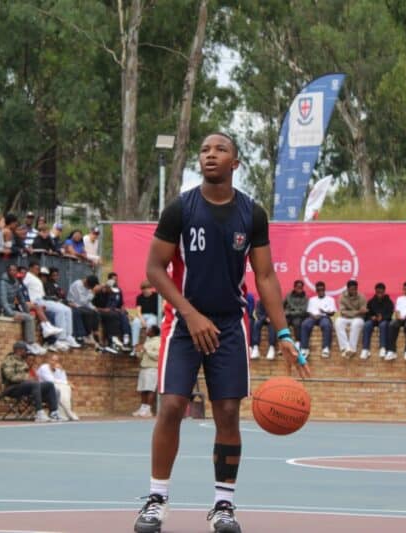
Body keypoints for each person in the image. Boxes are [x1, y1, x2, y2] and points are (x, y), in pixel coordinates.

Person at [133, 132, 308, 533]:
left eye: (220, 150)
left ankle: (223, 505)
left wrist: (283, 335)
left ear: (236, 163)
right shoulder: (180, 209)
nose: (211, 155)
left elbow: (264, 275)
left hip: (230, 323)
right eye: (205, 150)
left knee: (227, 412)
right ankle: (156, 499)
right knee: (173, 405)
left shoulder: (252, 214)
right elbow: (155, 269)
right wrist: (191, 314)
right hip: (184, 321)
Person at [0, 341, 61, 422]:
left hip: (25, 386)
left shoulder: (22, 361)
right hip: (12, 388)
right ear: (19, 350)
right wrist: (26, 377)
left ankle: (54, 413)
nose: (26, 352)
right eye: (25, 350)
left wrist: (30, 378)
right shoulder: (8, 360)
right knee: (34, 384)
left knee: (49, 385)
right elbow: (10, 377)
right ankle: (39, 412)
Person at [299, 281, 336, 358]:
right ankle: (304, 348)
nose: (321, 291)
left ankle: (325, 348)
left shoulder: (330, 299)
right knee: (305, 324)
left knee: (326, 325)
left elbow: (332, 313)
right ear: (316, 291)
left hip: (324, 317)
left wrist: (325, 312)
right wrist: (314, 316)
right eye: (319, 290)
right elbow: (309, 311)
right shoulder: (312, 299)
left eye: (322, 289)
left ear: (324, 289)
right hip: (313, 317)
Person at [37, 353, 79, 421]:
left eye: (56, 361)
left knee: (66, 388)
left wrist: (62, 370)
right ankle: (68, 413)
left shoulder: (57, 369)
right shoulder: (44, 367)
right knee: (62, 388)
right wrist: (67, 383)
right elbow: (51, 380)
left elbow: (63, 380)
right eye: (52, 360)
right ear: (48, 360)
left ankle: (64, 413)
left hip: (54, 388)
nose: (54, 362)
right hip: (44, 390)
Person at [335, 280, 367, 358]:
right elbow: (343, 312)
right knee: (338, 322)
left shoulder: (362, 296)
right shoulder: (342, 297)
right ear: (348, 289)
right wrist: (357, 312)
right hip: (346, 317)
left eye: (355, 289)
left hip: (358, 318)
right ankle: (345, 348)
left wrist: (354, 313)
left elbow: (363, 312)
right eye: (352, 289)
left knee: (356, 324)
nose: (354, 291)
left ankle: (352, 349)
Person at [361, 283, 393, 360]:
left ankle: (383, 348)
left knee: (383, 325)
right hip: (374, 321)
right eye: (378, 292)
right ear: (375, 291)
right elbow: (367, 314)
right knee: (367, 324)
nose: (379, 294)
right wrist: (371, 317)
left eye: (381, 292)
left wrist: (382, 317)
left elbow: (390, 314)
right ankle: (365, 349)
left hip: (384, 320)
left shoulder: (389, 302)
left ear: (384, 291)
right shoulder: (371, 301)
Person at [133, 325, 160, 417]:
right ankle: (142, 408)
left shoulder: (158, 341)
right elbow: (141, 356)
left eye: (149, 330)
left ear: (153, 332)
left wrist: (146, 350)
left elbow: (158, 356)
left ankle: (148, 410)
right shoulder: (147, 342)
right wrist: (137, 351)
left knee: (150, 389)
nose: (146, 331)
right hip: (144, 367)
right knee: (143, 389)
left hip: (152, 368)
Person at [131, 280, 159, 352]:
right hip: (142, 315)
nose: (145, 291)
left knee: (150, 324)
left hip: (153, 315)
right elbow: (138, 311)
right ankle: (134, 347)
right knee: (135, 323)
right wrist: (142, 320)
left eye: (147, 288)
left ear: (151, 288)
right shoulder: (139, 297)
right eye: (143, 289)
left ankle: (147, 347)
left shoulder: (156, 296)